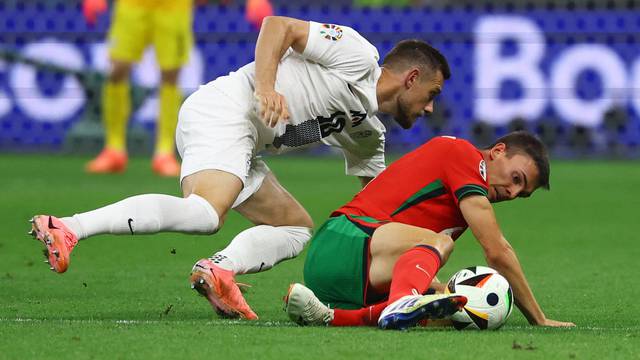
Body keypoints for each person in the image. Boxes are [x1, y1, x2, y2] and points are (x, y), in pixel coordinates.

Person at [28, 16, 450, 320]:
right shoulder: (358, 55)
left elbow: (377, 207)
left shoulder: (368, 132)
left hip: (245, 145)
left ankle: (220, 270)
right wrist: (266, 87)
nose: (430, 107)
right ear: (411, 77)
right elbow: (277, 26)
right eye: (431, 93)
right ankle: (68, 226)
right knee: (206, 213)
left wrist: (419, 266)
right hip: (224, 110)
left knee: (295, 228)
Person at [285, 132, 576, 330]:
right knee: (440, 242)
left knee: (457, 308)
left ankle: (331, 316)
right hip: (343, 240)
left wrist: (438, 289)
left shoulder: (465, 191)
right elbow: (497, 250)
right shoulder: (464, 155)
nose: (512, 193)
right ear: (498, 151)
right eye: (516, 178)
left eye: (522, 192)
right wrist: (538, 318)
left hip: (353, 272)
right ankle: (402, 300)